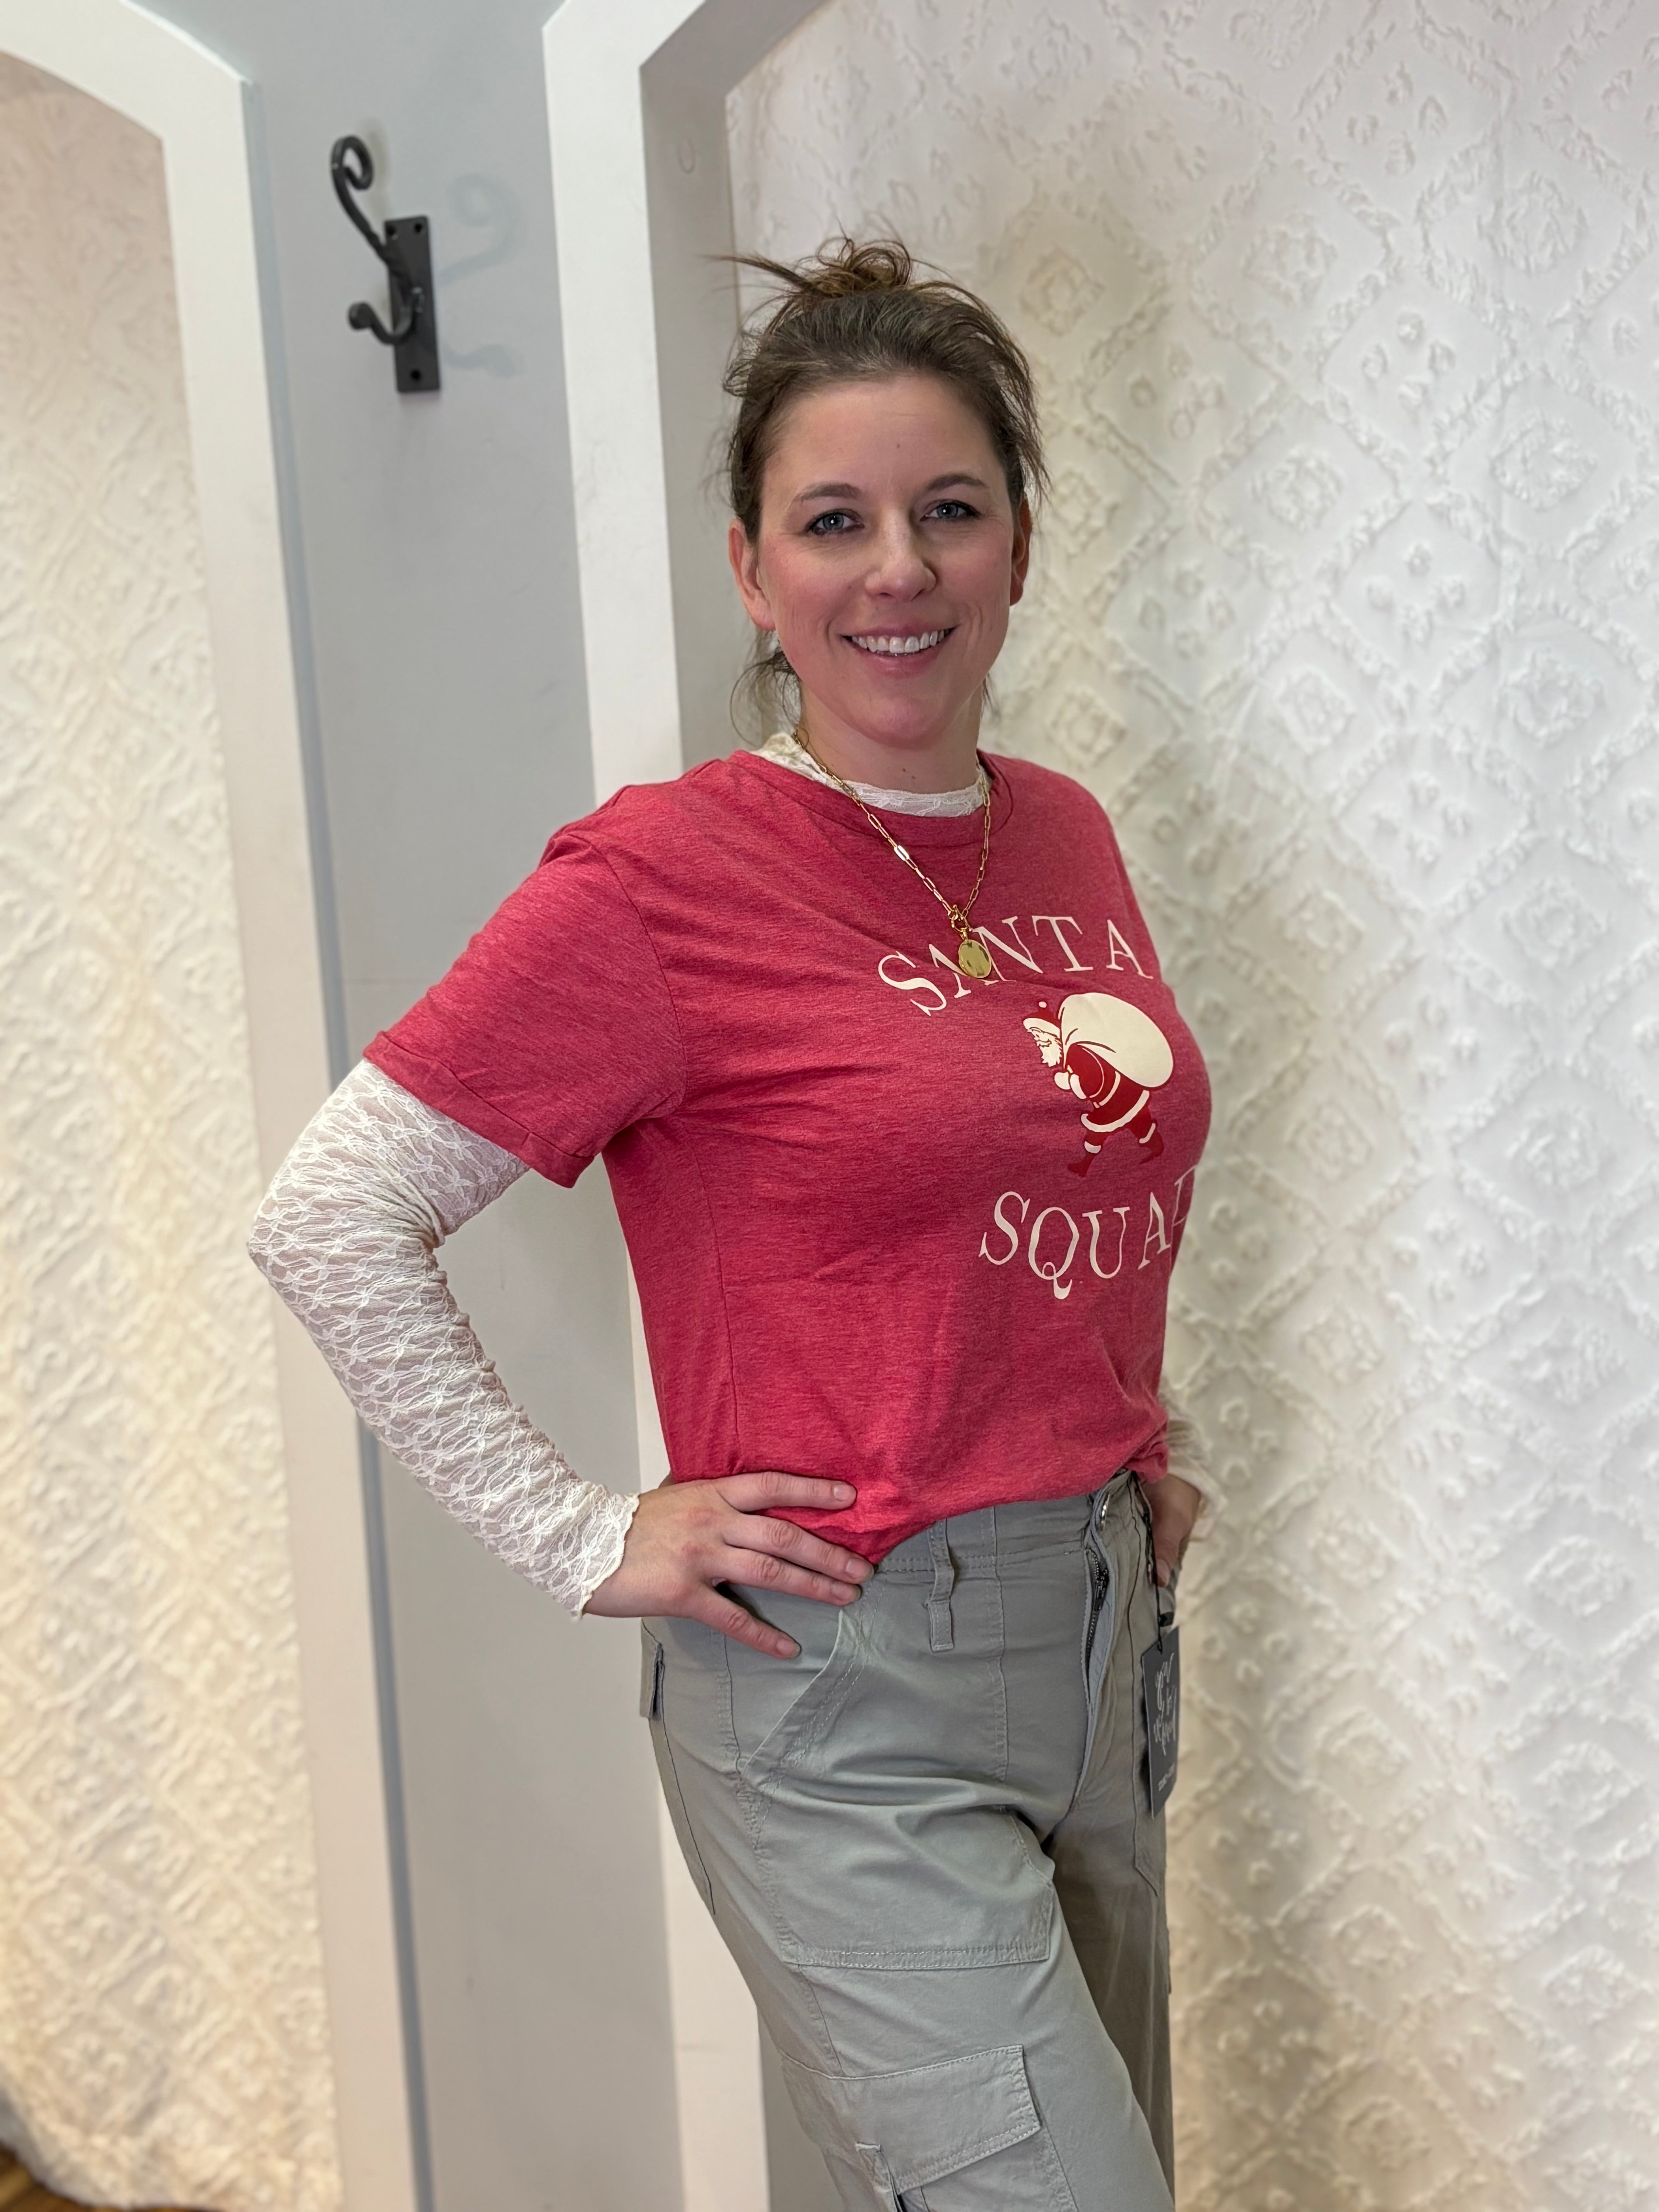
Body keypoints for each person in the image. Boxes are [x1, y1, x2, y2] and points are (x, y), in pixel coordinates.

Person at [250, 238, 1214, 2211]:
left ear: (1020, 546)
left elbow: (1055, 1165)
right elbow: (333, 1213)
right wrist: (578, 1531)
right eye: (833, 521)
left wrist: (1124, 1442)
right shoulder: (663, 881)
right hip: (849, 1685)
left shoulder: (1062, 830)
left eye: (951, 510)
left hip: (1105, 1648)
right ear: (752, 571)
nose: (898, 569)